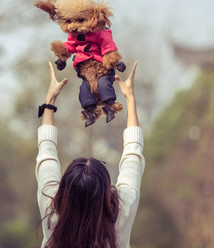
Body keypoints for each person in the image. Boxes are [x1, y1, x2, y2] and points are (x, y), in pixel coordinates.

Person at [36, 61, 145, 248]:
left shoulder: (52, 210)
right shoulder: (121, 211)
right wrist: (130, 98)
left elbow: (46, 154)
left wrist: (50, 99)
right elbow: (133, 156)